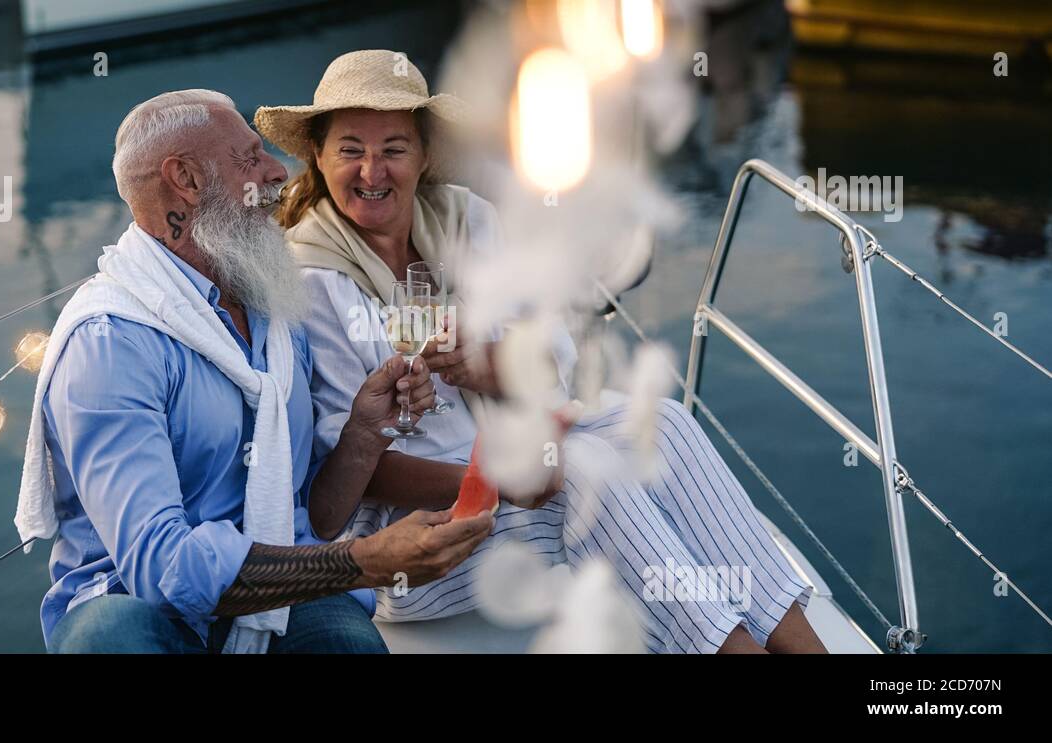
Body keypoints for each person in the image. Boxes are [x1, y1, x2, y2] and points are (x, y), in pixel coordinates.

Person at [256, 50, 827, 653]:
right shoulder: (311, 280)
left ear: (424, 156)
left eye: (394, 148)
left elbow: (549, 361)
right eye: (350, 149)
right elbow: (346, 469)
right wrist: (497, 480)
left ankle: (805, 647)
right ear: (317, 156)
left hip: (511, 456)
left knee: (661, 420)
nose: (372, 171)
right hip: (414, 537)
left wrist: (490, 366)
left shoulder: (468, 219)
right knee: (586, 469)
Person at [14, 89, 495, 654]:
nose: (278, 172)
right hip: (138, 605)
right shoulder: (111, 342)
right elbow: (159, 566)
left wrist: (364, 431)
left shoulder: (276, 313)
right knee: (110, 636)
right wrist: (362, 561)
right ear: (186, 179)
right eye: (250, 157)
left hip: (279, 593)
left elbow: (316, 515)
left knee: (350, 643)